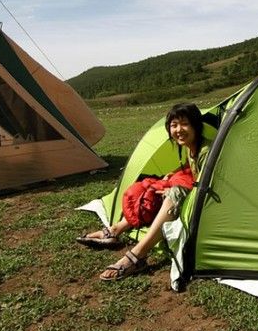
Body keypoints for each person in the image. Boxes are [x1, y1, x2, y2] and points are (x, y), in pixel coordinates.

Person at [77, 103, 210, 281]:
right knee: (150, 190)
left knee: (174, 193)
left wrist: (173, 188)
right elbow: (192, 171)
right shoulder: (190, 148)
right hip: (194, 190)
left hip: (206, 203)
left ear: (196, 125)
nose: (179, 130)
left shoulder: (206, 151)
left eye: (184, 124)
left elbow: (206, 186)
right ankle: (115, 230)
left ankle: (137, 255)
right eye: (173, 125)